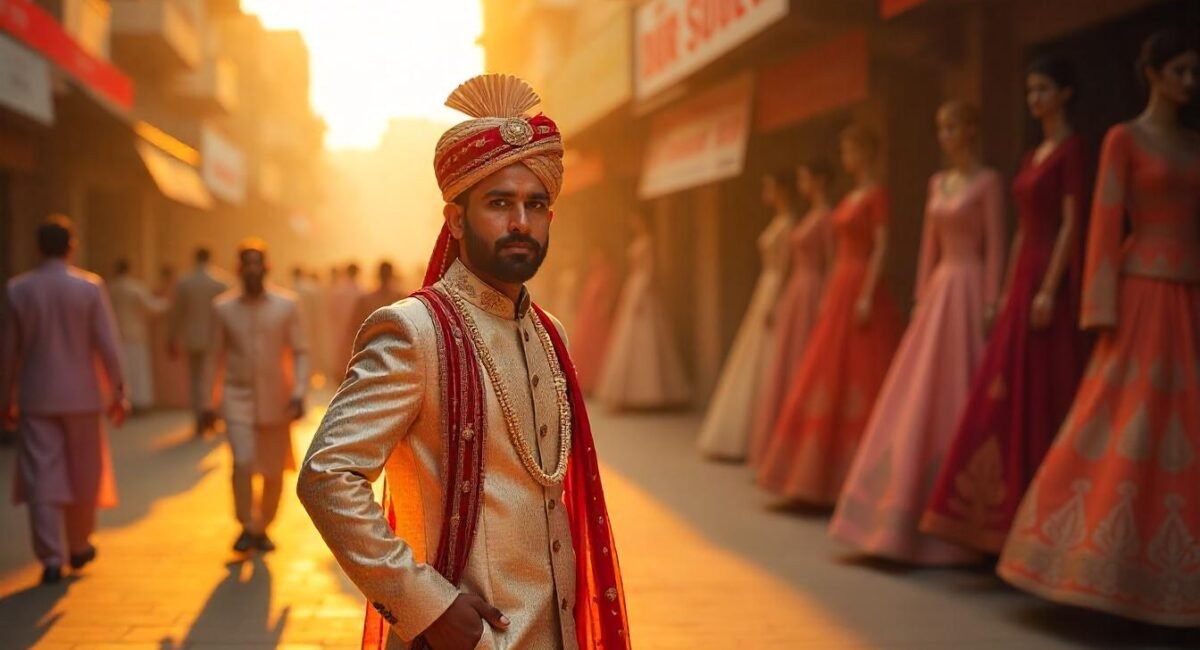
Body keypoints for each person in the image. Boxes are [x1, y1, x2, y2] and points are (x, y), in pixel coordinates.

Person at [297, 74, 629, 650]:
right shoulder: (414, 332)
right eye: (499, 203)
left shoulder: (550, 334)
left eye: (535, 205)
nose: (520, 222)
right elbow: (328, 474)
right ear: (455, 220)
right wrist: (426, 604)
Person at [998, 29, 1200, 626]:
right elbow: (1105, 220)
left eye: (1196, 73)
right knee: (1123, 422)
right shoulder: (1123, 139)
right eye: (1181, 71)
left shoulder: (1195, 145)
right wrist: (1100, 308)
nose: (1191, 82)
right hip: (1141, 298)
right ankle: (1096, 565)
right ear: (1153, 74)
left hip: (1191, 294)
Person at [921, 57, 1092, 553]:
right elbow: (1020, 230)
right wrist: (1011, 286)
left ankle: (1042, 517)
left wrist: (1049, 288)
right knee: (1004, 388)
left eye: (1044, 90)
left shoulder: (1072, 149)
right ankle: (993, 516)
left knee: (1043, 387)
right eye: (1031, 91)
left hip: (1049, 276)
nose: (1035, 99)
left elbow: (1071, 223)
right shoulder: (1032, 155)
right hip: (1024, 276)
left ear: (1065, 94)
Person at [829, 101, 1004, 565]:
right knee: (918, 393)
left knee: (962, 388)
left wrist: (992, 302)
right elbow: (929, 246)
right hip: (940, 292)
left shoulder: (988, 183)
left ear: (971, 129)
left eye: (952, 127)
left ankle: (959, 518)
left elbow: (996, 245)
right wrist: (921, 297)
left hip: (970, 290)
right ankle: (898, 512)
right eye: (941, 128)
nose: (945, 135)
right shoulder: (937, 184)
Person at [756, 124, 903, 505]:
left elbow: (882, 246)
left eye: (850, 150)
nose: (846, 157)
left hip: (860, 285)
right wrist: (829, 293)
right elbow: (836, 253)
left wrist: (867, 293)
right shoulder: (850, 198)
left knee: (861, 373)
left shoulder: (877, 195)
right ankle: (809, 478)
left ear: (867, 152)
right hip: (839, 286)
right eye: (844, 150)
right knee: (823, 373)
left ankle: (859, 481)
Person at [0, 215, 128, 584]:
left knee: (41, 477)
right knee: (84, 473)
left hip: (37, 396)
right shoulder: (89, 287)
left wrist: (6, 396)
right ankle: (79, 544)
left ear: (38, 248)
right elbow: (107, 344)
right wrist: (118, 390)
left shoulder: (18, 290)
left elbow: (8, 352)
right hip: (83, 397)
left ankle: (51, 557)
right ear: (71, 247)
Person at [202, 239, 310, 553]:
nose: (252, 269)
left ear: (266, 267)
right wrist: (208, 402)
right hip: (236, 397)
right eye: (246, 264)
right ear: (238, 268)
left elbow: (301, 351)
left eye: (257, 263)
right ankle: (246, 525)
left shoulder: (286, 305)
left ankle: (264, 526)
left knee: (274, 471)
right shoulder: (223, 308)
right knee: (243, 462)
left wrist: (299, 391)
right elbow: (213, 357)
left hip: (277, 398)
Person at [698, 172, 797, 460]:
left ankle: (764, 433)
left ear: (781, 189)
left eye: (769, 187)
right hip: (766, 287)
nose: (766, 191)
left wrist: (776, 301)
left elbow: (786, 268)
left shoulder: (789, 223)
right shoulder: (780, 221)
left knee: (769, 358)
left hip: (774, 289)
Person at [748, 159, 835, 467]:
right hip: (797, 290)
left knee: (801, 360)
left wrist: (826, 299)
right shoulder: (810, 215)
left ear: (819, 181)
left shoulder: (824, 217)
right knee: (787, 362)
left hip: (810, 291)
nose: (801, 185)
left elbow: (831, 261)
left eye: (805, 178)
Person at [595, 213, 691, 410]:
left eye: (637, 219)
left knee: (647, 339)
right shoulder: (639, 241)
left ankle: (652, 394)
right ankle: (630, 394)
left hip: (642, 291)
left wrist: (640, 293)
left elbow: (649, 270)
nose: (634, 223)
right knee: (630, 340)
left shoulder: (649, 242)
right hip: (634, 288)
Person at [170, 247, 231, 437]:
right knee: (214, 379)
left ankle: (199, 417)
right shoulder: (219, 282)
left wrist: (172, 336)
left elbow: (177, 312)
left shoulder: (184, 282)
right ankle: (212, 414)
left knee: (195, 380)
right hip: (215, 338)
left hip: (192, 337)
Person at [108, 258, 167, 413]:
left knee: (122, 370)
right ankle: (139, 402)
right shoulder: (135, 288)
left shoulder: (110, 288)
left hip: (116, 335)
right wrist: (168, 303)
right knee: (137, 371)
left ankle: (123, 401)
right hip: (135, 335)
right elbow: (151, 307)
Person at [569, 251, 618, 394]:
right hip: (589, 317)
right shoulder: (593, 274)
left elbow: (607, 295)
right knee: (585, 347)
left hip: (598, 318)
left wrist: (604, 307)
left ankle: (595, 382)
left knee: (597, 348)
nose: (594, 259)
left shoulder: (607, 274)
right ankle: (585, 382)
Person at [349, 261, 407, 341]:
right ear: (391, 275)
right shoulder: (401, 298)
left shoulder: (366, 300)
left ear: (378, 275)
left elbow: (354, 327)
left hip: (372, 343)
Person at [326, 262, 364, 382]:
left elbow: (331, 312)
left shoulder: (338, 292)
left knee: (341, 358)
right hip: (357, 330)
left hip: (340, 330)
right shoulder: (362, 292)